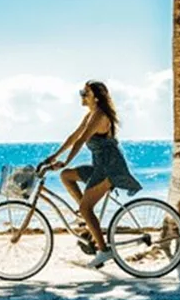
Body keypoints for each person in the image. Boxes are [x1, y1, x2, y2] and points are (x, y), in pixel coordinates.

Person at [39, 80, 142, 268]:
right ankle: (85, 218)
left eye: (84, 93)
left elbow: (81, 142)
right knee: (67, 176)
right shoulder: (91, 115)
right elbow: (73, 137)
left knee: (87, 208)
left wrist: (64, 162)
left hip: (110, 169)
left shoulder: (100, 116)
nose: (82, 96)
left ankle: (104, 250)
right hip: (99, 166)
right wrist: (52, 157)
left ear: (95, 96)